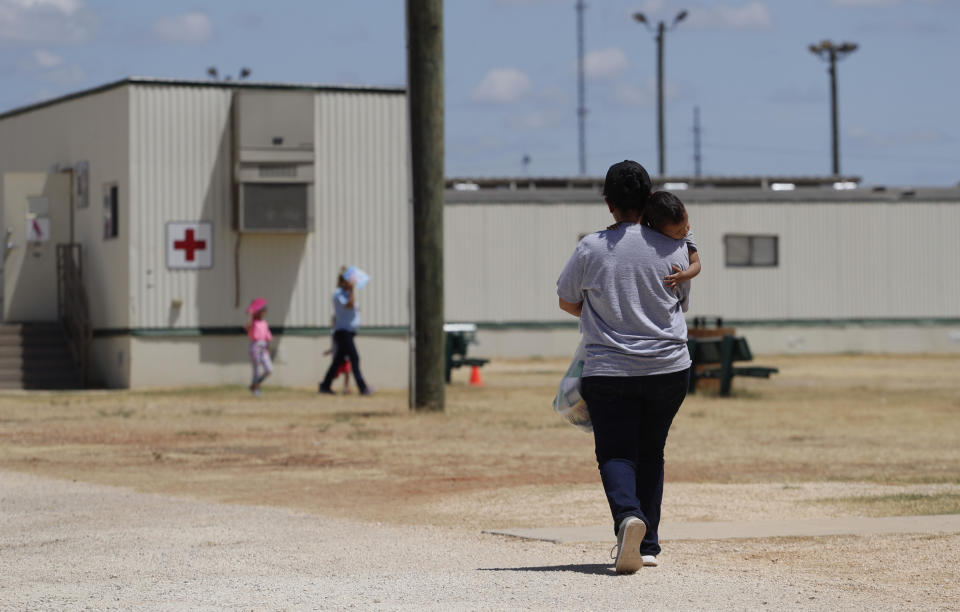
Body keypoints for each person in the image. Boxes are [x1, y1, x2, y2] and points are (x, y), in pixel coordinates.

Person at [556, 160, 691, 574]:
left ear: (608, 203)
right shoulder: (675, 247)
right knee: (652, 450)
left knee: (616, 451)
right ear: (649, 199)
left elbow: (566, 300)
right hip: (669, 366)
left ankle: (628, 518)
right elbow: (679, 303)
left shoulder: (591, 247)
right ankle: (648, 546)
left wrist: (596, 310)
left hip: (609, 368)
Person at [319, 267, 371, 396]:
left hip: (349, 332)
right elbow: (349, 305)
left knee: (337, 362)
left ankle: (325, 385)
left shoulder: (347, 294)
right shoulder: (338, 294)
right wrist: (352, 290)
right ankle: (363, 387)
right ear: (342, 282)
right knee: (355, 358)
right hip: (343, 332)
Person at [244, 298, 273, 397]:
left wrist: (268, 348)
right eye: (262, 311)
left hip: (264, 347)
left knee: (269, 369)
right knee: (256, 369)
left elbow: (268, 337)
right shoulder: (253, 323)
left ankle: (255, 385)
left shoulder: (264, 323)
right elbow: (247, 328)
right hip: (255, 346)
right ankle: (255, 389)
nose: (263, 313)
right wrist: (250, 316)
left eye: (264, 311)